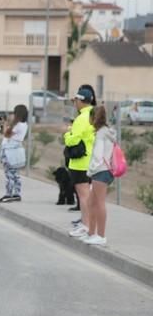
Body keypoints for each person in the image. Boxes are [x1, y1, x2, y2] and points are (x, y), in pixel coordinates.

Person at [66, 85, 97, 239]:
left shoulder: (81, 118)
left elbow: (73, 140)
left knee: (83, 196)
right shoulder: (94, 115)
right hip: (91, 160)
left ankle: (86, 226)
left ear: (81, 101)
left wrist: (67, 134)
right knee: (88, 195)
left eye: (76, 100)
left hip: (80, 162)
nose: (75, 103)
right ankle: (89, 226)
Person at [83, 105, 115, 246]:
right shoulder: (107, 132)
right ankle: (91, 233)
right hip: (104, 171)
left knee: (99, 203)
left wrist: (90, 171)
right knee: (91, 202)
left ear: (93, 118)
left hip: (100, 171)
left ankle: (101, 236)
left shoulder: (101, 134)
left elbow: (98, 156)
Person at [0, 104, 28, 203]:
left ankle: (9, 193)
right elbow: (3, 132)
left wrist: (5, 123)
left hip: (10, 151)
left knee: (9, 173)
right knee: (15, 173)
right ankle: (16, 193)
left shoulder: (18, 125)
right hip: (15, 150)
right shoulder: (24, 124)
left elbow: (6, 134)